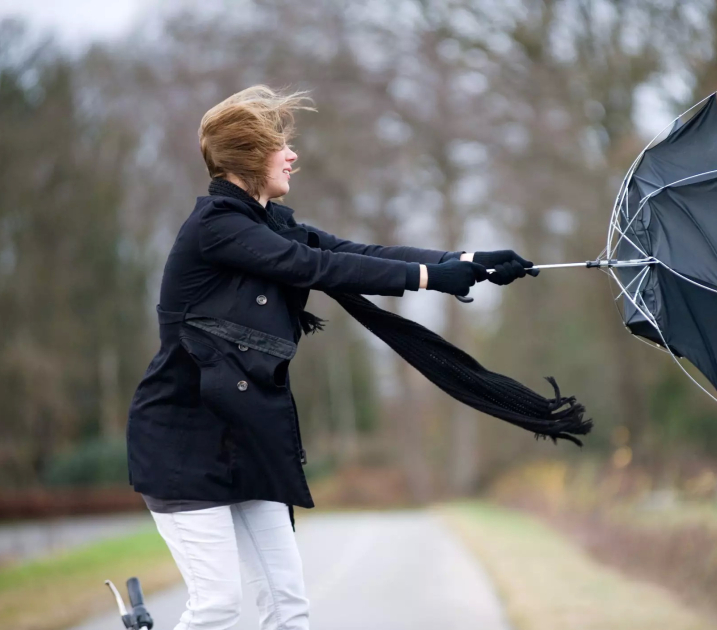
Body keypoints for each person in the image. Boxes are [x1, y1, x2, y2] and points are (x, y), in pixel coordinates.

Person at [125, 85, 536, 630]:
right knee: (218, 606)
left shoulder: (269, 223)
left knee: (288, 607)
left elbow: (352, 253)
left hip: (249, 439)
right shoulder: (217, 228)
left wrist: (464, 261)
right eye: (279, 146)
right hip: (184, 442)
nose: (292, 155)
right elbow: (312, 268)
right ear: (249, 156)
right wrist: (430, 277)